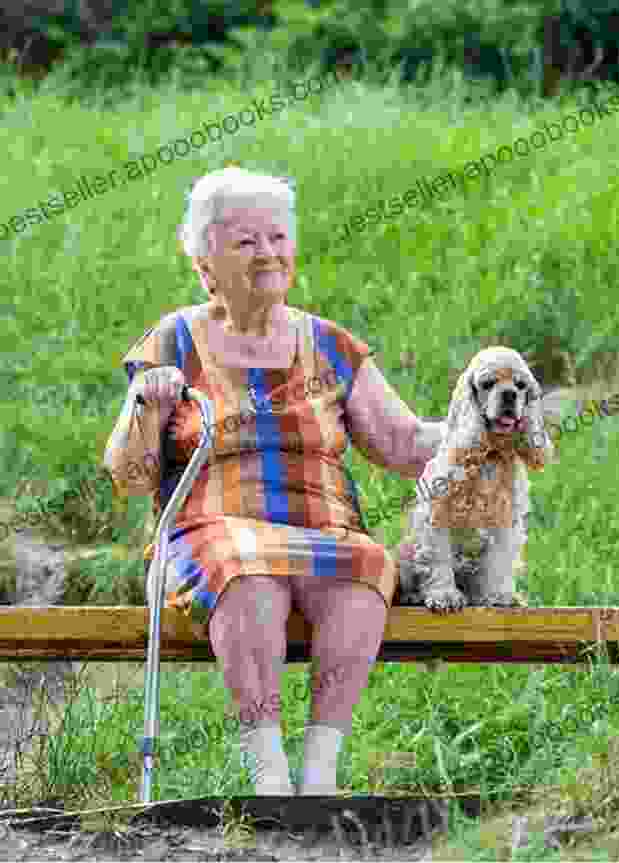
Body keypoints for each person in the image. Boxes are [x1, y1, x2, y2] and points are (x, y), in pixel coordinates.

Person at [103, 165, 445, 796]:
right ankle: (268, 774)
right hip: (207, 536)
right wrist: (146, 406)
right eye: (246, 241)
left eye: (279, 238)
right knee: (249, 569)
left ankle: (319, 774)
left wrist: (480, 426)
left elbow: (401, 443)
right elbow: (127, 475)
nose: (269, 253)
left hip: (321, 530)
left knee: (365, 565)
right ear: (206, 263)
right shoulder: (173, 341)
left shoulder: (329, 345)